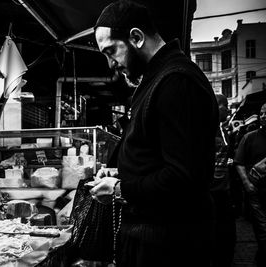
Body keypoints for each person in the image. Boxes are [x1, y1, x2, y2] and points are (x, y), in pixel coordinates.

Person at [89, 1, 219, 266]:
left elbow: (184, 178)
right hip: (154, 240)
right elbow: (159, 155)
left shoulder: (176, 82)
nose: (110, 64)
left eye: (111, 51)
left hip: (169, 246)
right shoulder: (158, 78)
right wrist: (122, 172)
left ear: (136, 37)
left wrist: (119, 188)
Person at [235, 103, 266, 267]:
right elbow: (238, 162)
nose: (264, 116)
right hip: (257, 194)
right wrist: (247, 183)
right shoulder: (249, 137)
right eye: (262, 113)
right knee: (263, 233)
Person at [210, 94, 236, 267]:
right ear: (217, 106)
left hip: (223, 190)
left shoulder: (223, 129)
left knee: (227, 235)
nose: (228, 108)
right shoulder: (205, 129)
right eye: (225, 105)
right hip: (210, 192)